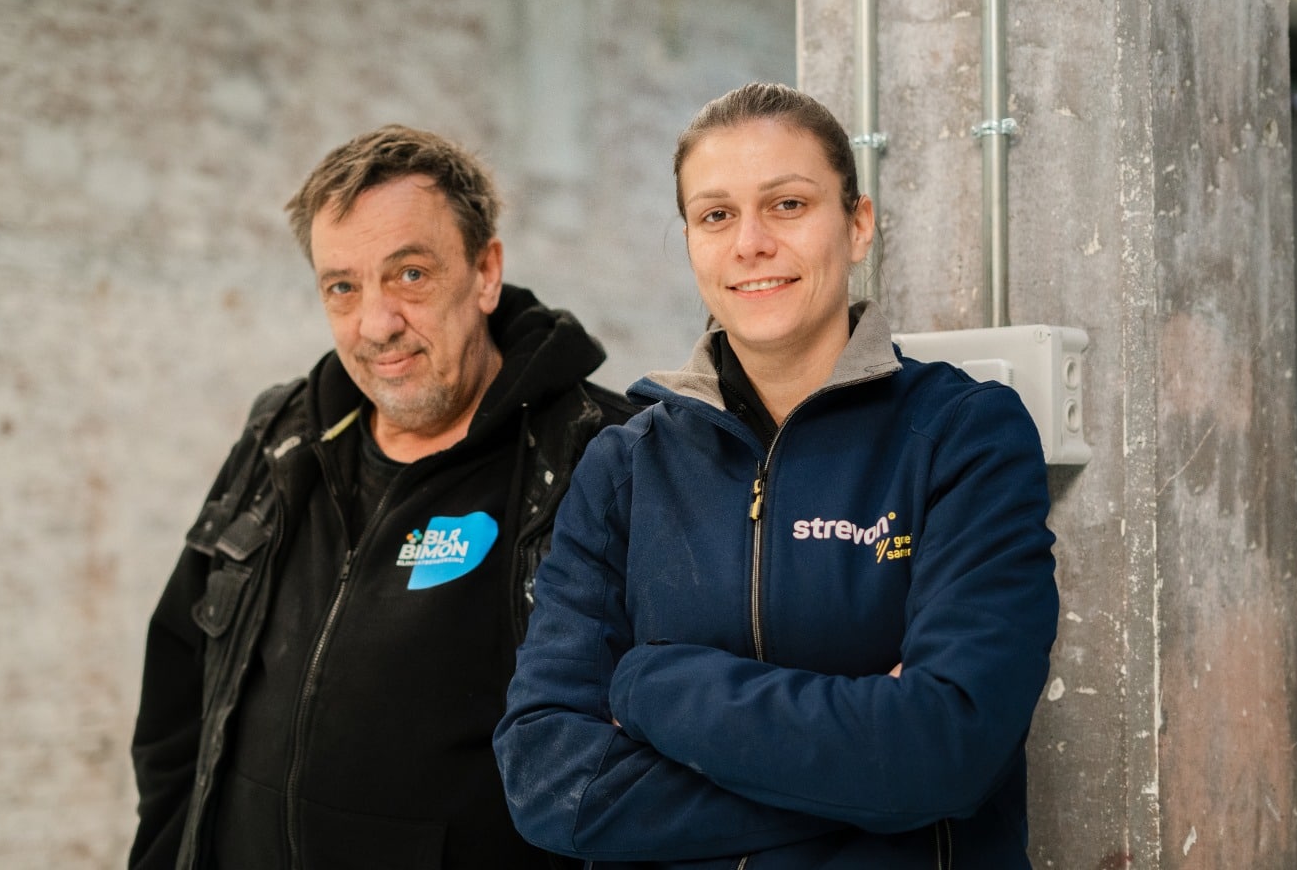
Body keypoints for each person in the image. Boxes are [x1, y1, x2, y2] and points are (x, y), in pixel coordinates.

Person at [493, 83, 1060, 869]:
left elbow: (942, 752)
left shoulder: (962, 436)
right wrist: (866, 789)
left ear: (857, 224)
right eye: (715, 215)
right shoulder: (625, 464)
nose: (749, 243)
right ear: (690, 241)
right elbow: (552, 782)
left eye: (787, 205)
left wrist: (650, 683)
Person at [129, 125, 633, 870]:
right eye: (343, 287)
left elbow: (643, 758)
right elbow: (177, 703)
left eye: (410, 274)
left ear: (485, 272)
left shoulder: (600, 455)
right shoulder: (283, 437)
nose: (376, 324)